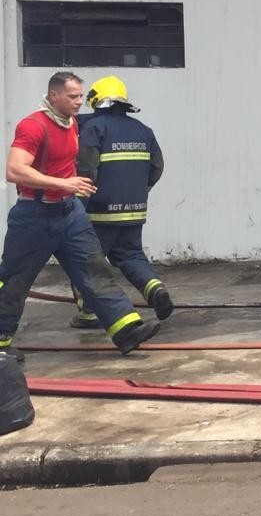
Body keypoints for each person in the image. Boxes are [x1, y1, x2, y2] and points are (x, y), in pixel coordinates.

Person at [0, 72, 159, 361]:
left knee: (94, 268)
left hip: (69, 212)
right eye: (73, 97)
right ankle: (1, 342)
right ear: (53, 97)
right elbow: (14, 170)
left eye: (81, 96)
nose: (79, 102)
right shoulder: (33, 126)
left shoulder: (74, 123)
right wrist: (64, 184)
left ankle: (126, 329)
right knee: (14, 280)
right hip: (34, 215)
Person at [69, 75, 173, 328]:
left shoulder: (94, 129)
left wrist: (77, 207)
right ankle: (155, 290)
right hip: (134, 210)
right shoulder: (143, 130)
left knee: (87, 260)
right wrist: (138, 192)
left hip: (99, 212)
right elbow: (157, 167)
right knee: (131, 255)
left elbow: (86, 170)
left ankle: (88, 313)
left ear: (96, 100)